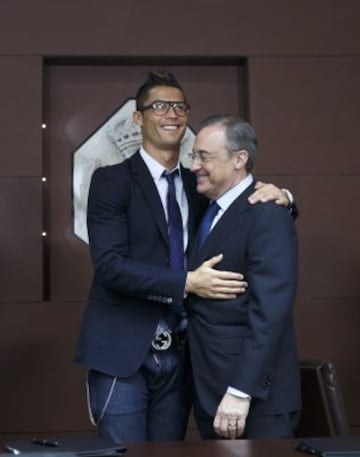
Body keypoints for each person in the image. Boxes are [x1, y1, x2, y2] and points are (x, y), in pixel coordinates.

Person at [74, 71, 294, 443]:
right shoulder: (111, 181)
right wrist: (187, 282)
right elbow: (110, 266)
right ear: (139, 118)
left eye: (179, 106)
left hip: (184, 355)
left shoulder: (201, 183)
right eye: (159, 105)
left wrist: (286, 198)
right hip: (123, 350)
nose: (171, 113)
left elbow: (243, 209)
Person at [186, 114, 301, 440]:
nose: (195, 165)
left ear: (240, 159)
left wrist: (241, 390)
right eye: (193, 155)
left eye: (204, 156)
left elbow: (271, 312)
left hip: (251, 398)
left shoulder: (267, 214)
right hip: (211, 389)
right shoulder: (207, 207)